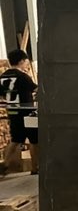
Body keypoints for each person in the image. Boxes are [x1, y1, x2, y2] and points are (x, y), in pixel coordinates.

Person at [0, 49, 39, 177]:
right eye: (26, 61)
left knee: (16, 139)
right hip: (27, 112)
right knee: (34, 140)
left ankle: (5, 164)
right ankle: (35, 167)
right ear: (22, 61)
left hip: (12, 112)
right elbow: (36, 89)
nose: (27, 64)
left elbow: (2, 95)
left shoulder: (3, 77)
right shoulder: (23, 76)